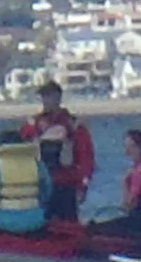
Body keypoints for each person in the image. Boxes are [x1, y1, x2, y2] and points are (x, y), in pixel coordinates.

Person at [20, 81, 96, 221]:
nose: (45, 101)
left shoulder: (73, 125)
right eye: (43, 97)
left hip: (65, 185)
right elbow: (20, 148)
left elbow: (86, 158)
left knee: (67, 223)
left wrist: (83, 185)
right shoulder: (32, 124)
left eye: (48, 96)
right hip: (39, 186)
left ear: (58, 97)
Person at [88, 129, 141, 235]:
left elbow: (129, 204)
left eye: (130, 147)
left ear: (140, 147)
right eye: (126, 148)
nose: (127, 152)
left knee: (97, 228)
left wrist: (125, 182)